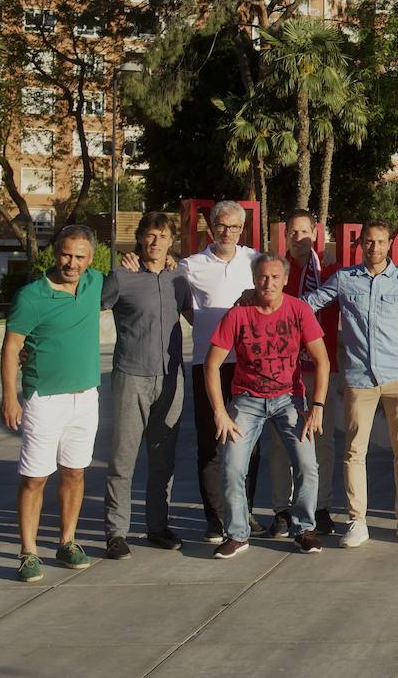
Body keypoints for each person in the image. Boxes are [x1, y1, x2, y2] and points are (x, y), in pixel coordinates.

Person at [302, 219, 398, 547]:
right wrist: (268, 303)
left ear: (390, 244)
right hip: (358, 378)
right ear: (361, 245)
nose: (374, 247)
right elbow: (310, 304)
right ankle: (357, 521)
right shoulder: (344, 279)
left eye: (381, 241)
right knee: (354, 451)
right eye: (369, 242)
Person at [203, 253, 331, 559]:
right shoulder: (238, 314)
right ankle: (237, 534)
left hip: (289, 398)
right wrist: (220, 412)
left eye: (275, 277)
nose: (268, 282)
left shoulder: (298, 310)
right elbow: (211, 365)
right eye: (262, 276)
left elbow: (322, 360)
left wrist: (317, 405)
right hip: (246, 400)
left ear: (285, 279)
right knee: (233, 466)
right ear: (254, 278)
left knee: (307, 465)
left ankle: (304, 528)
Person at [0, 225, 103, 582]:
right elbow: (12, 347)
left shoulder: (95, 284)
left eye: (80, 257)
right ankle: (28, 552)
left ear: (90, 259)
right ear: (55, 253)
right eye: (66, 255)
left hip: (86, 396)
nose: (72, 263)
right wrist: (10, 397)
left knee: (75, 472)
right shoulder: (31, 296)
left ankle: (67, 542)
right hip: (43, 399)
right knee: (35, 477)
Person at [101, 211, 191, 560]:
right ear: (140, 238)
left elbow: (197, 317)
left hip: (170, 379)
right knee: (122, 459)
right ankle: (115, 532)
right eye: (150, 236)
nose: (156, 242)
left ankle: (157, 526)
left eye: (163, 237)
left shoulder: (177, 280)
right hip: (131, 376)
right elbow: (86, 306)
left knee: (162, 461)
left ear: (171, 242)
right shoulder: (121, 276)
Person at [178, 201, 263, 542]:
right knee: (211, 443)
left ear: (242, 229)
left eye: (234, 227)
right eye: (221, 226)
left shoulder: (255, 261)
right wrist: (209, 333)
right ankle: (214, 518)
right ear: (211, 227)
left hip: (248, 365)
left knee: (249, 443)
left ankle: (245, 512)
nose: (227, 232)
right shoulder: (190, 266)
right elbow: (185, 307)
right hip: (207, 365)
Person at [264, 209, 341, 539]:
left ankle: (320, 506)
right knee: (281, 443)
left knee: (322, 441)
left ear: (316, 232)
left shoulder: (331, 273)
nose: (298, 238)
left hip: (324, 367)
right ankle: (282, 509)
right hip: (283, 370)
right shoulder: (274, 274)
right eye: (292, 233)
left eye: (303, 232)